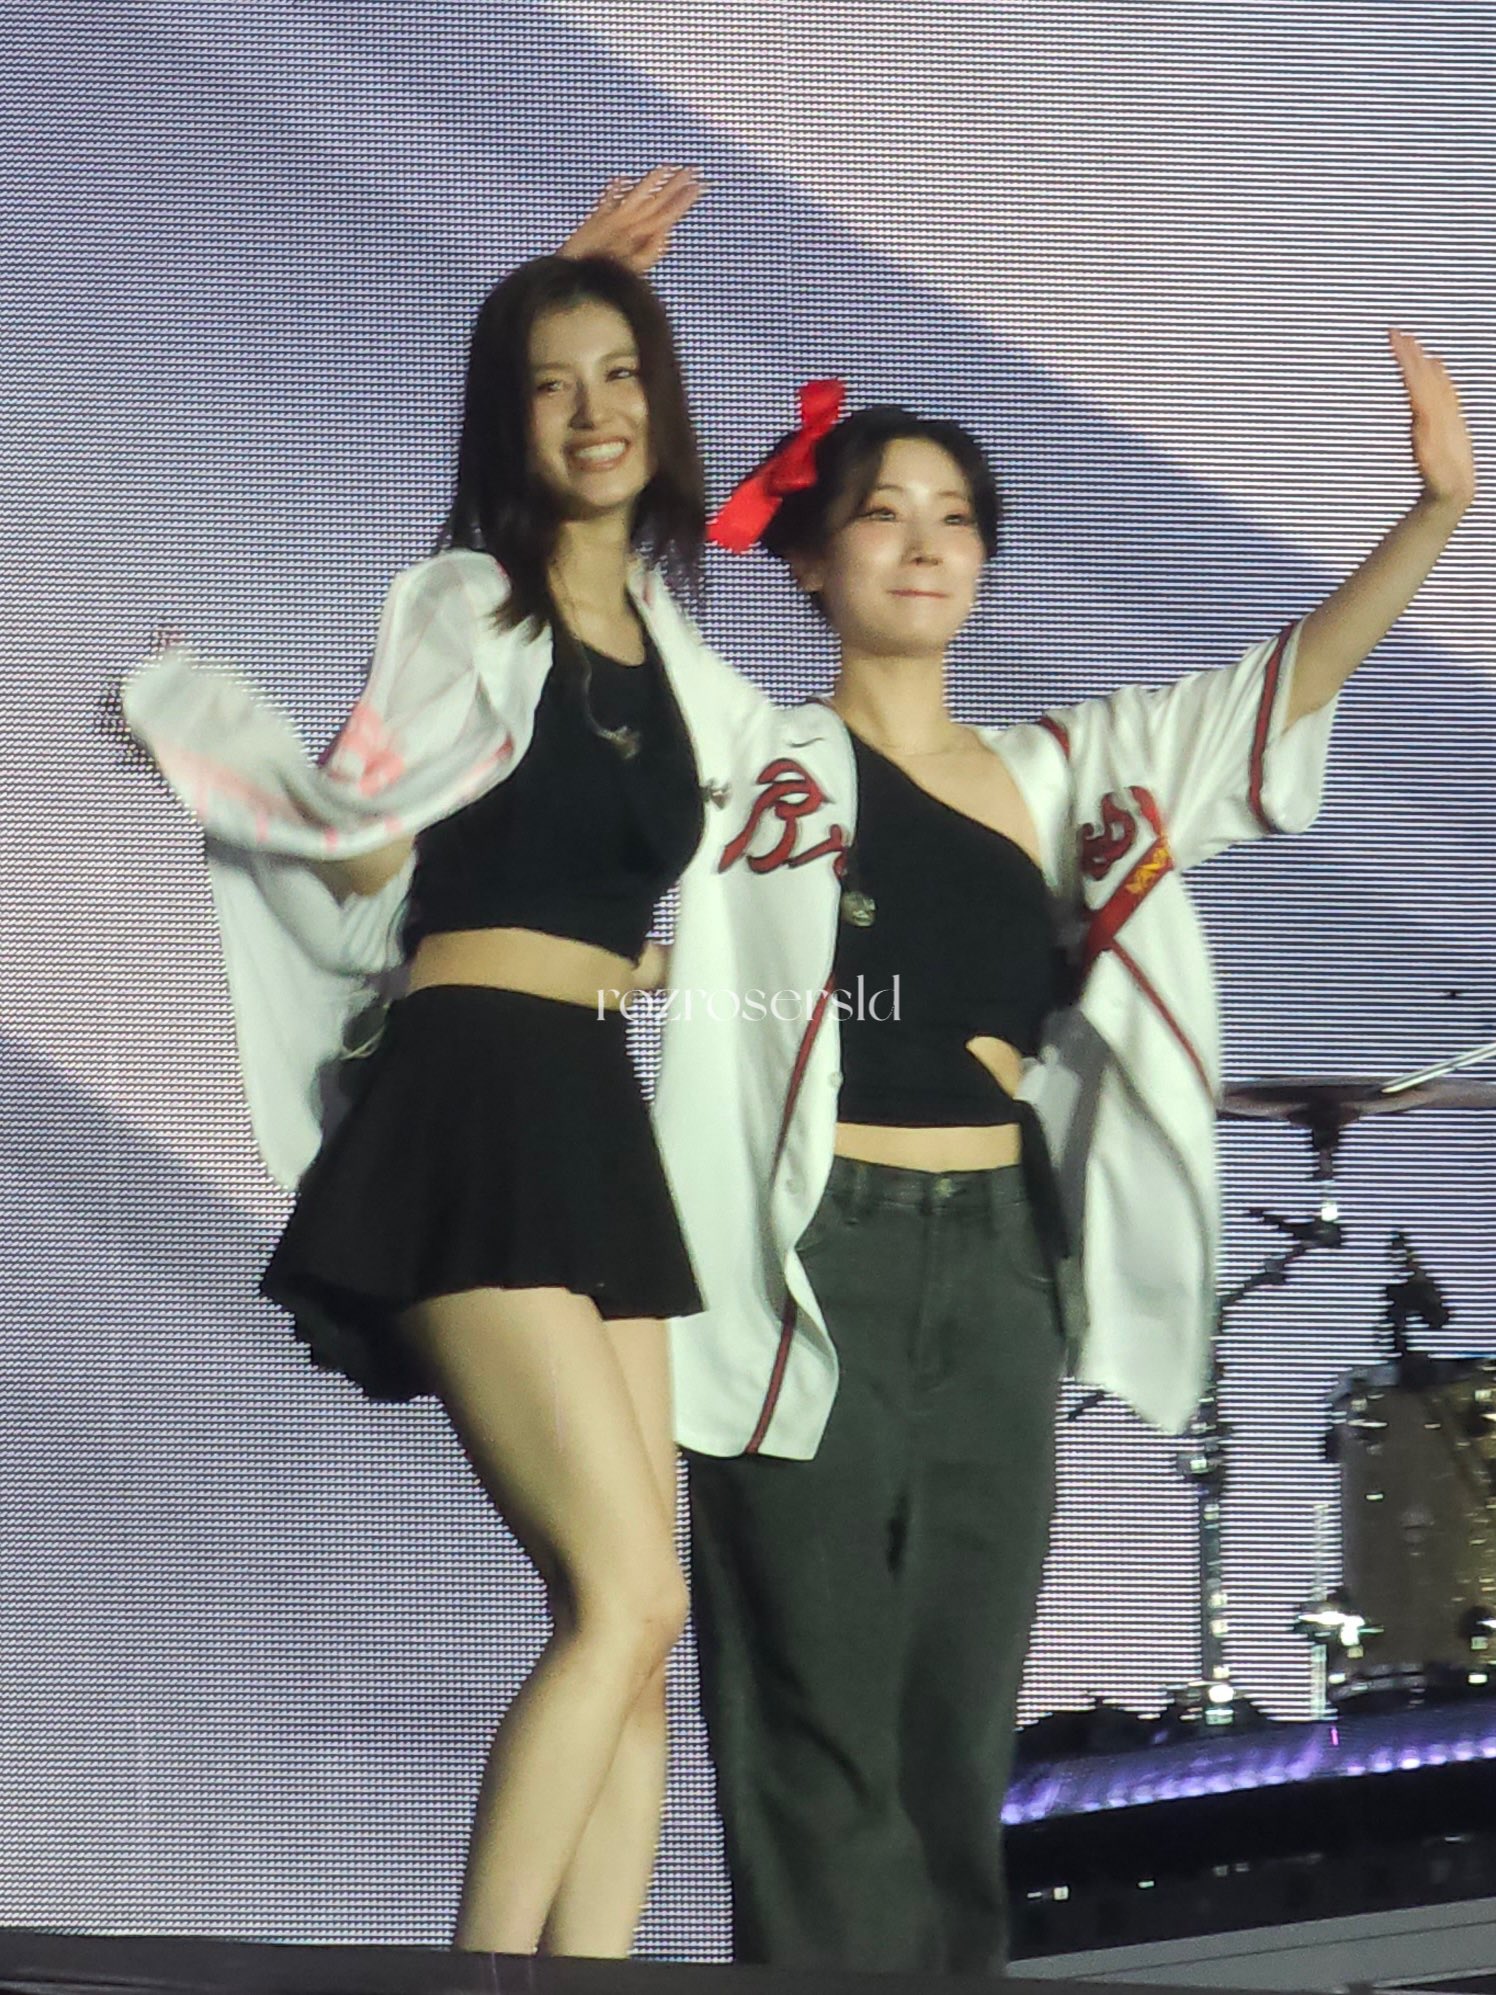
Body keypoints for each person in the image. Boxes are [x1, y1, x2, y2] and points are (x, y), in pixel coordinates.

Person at [648, 336, 1475, 1972]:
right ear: (808, 560)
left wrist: (1436, 514)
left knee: (958, 1712)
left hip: (997, 1257)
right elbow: (591, 603)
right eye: (883, 513)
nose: (926, 543)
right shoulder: (759, 756)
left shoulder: (1064, 771)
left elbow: (1277, 689)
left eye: (956, 517)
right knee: (809, 1696)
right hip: (810, 1254)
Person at [122, 171, 770, 1957]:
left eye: (621, 375)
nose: (596, 411)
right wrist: (218, 744)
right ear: (506, 424)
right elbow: (364, 848)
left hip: (592, 1104)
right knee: (626, 1593)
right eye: (553, 386)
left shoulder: (678, 657)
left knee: (642, 1627)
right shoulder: (469, 608)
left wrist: (667, 965)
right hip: (472, 1101)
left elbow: (718, 853)